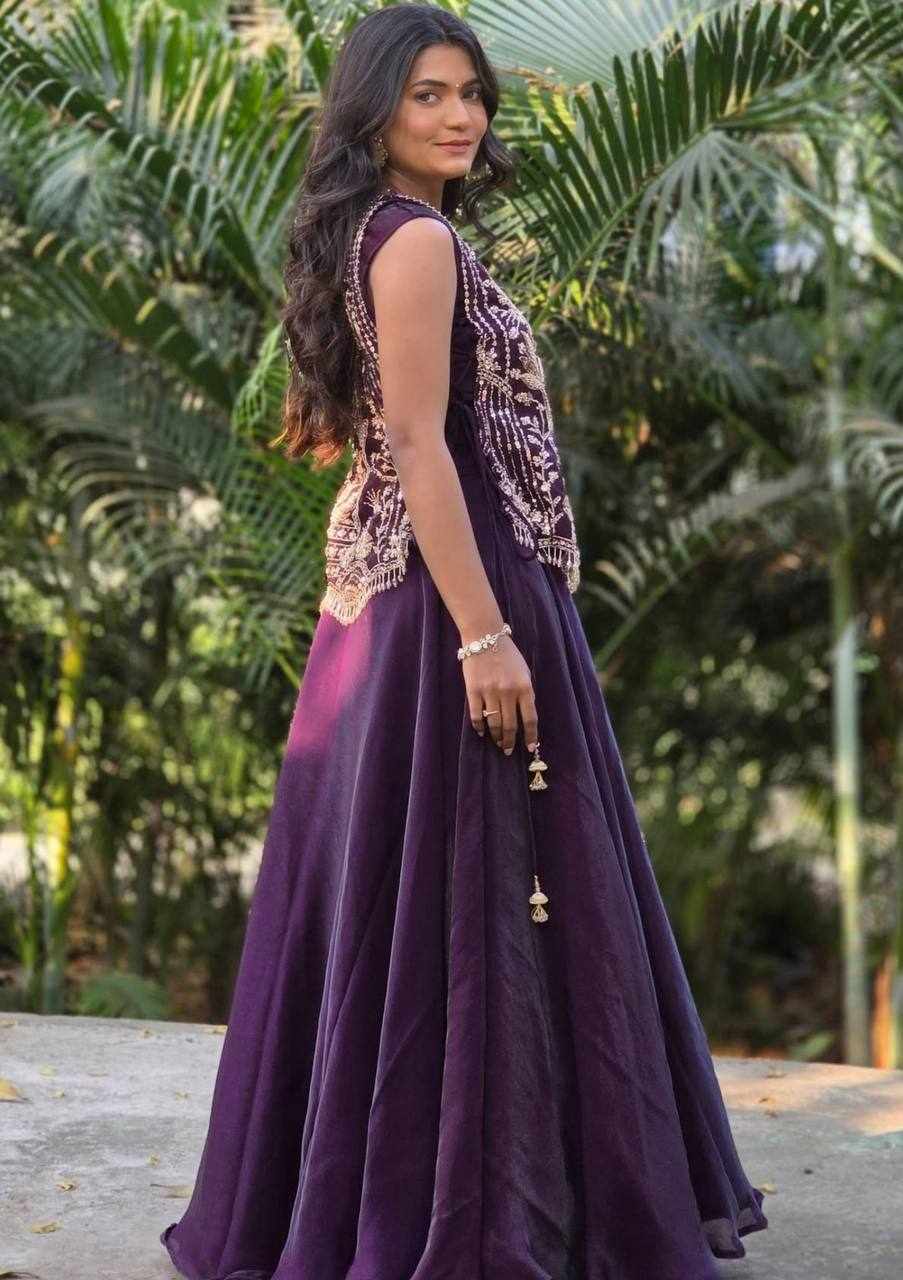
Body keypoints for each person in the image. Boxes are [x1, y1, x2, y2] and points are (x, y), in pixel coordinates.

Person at [160, 5, 769, 1278]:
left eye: (471, 93)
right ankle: (487, 1214)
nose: (459, 115)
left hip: (406, 594)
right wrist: (485, 633)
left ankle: (439, 1196)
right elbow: (421, 442)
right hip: (457, 593)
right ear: (375, 108)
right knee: (486, 887)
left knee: (432, 889)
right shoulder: (419, 239)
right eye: (427, 94)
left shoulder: (380, 231)